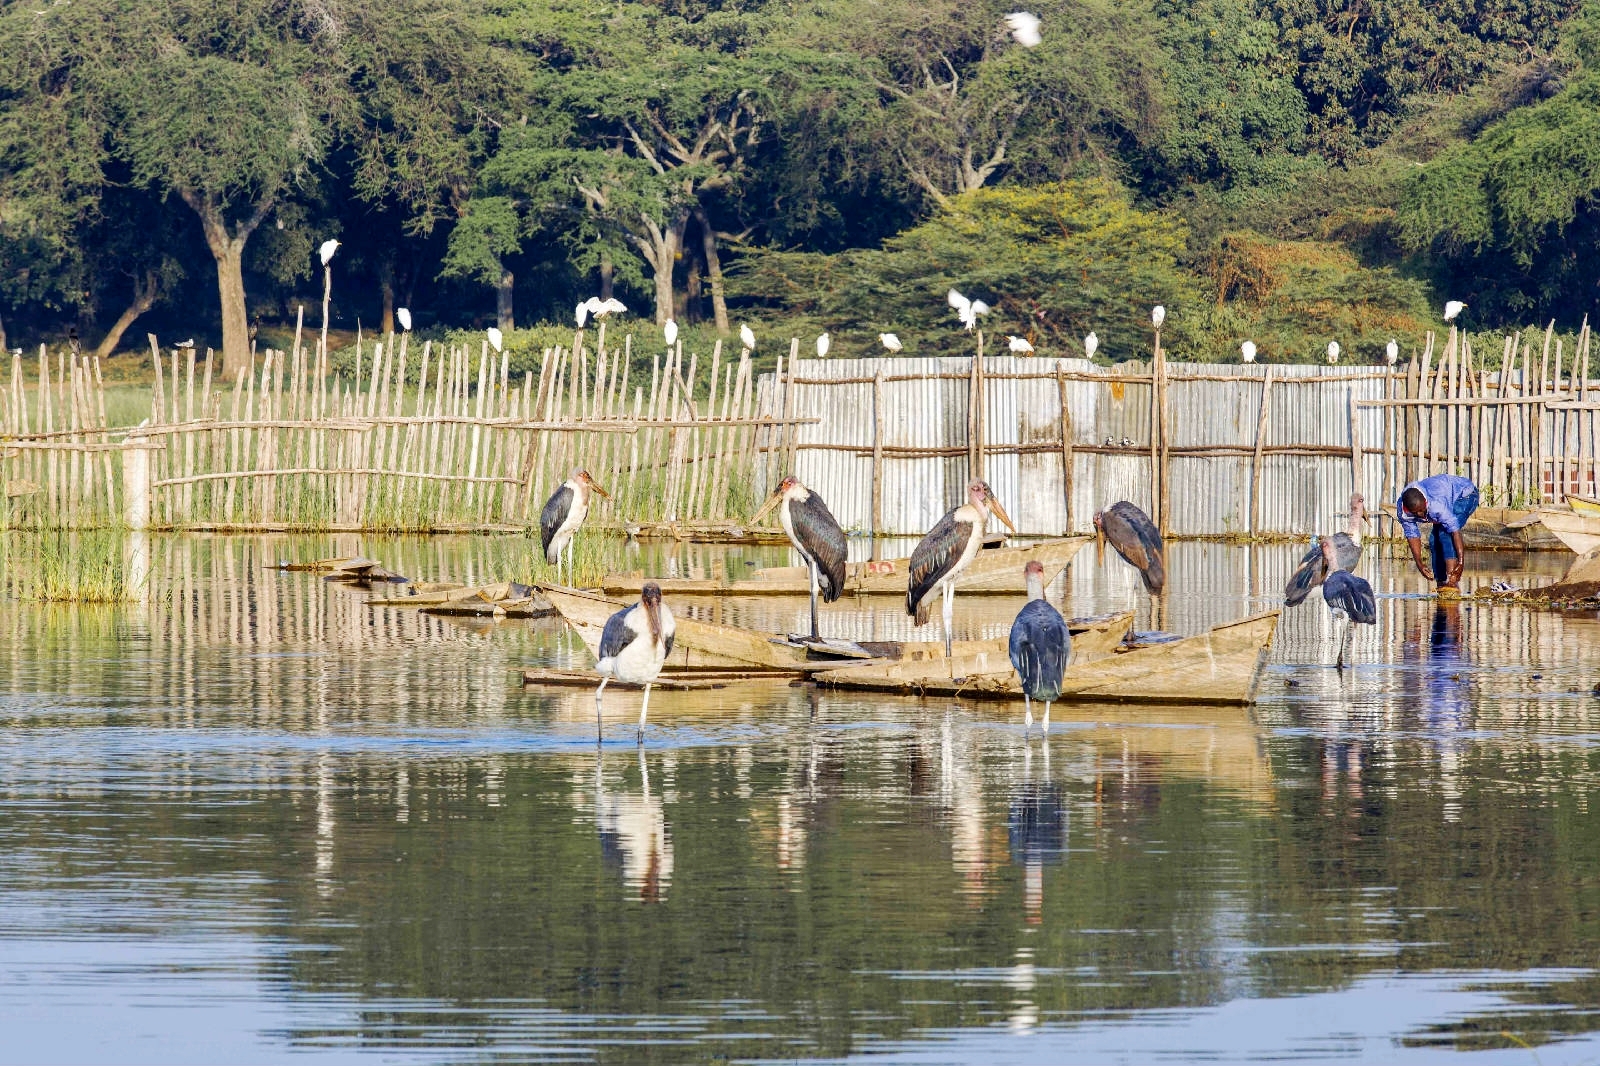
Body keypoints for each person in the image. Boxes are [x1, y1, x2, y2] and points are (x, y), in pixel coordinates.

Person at [1396, 474, 1480, 590]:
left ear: (1425, 502)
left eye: (1422, 510)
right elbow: (1412, 535)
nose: (1421, 515)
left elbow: (1454, 531)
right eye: (1416, 513)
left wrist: (1461, 563)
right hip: (1444, 498)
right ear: (1407, 509)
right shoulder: (1403, 511)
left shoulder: (1436, 504)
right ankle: (1441, 582)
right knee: (1434, 540)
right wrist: (1419, 564)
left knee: (1444, 534)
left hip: (1465, 495)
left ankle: (1452, 580)